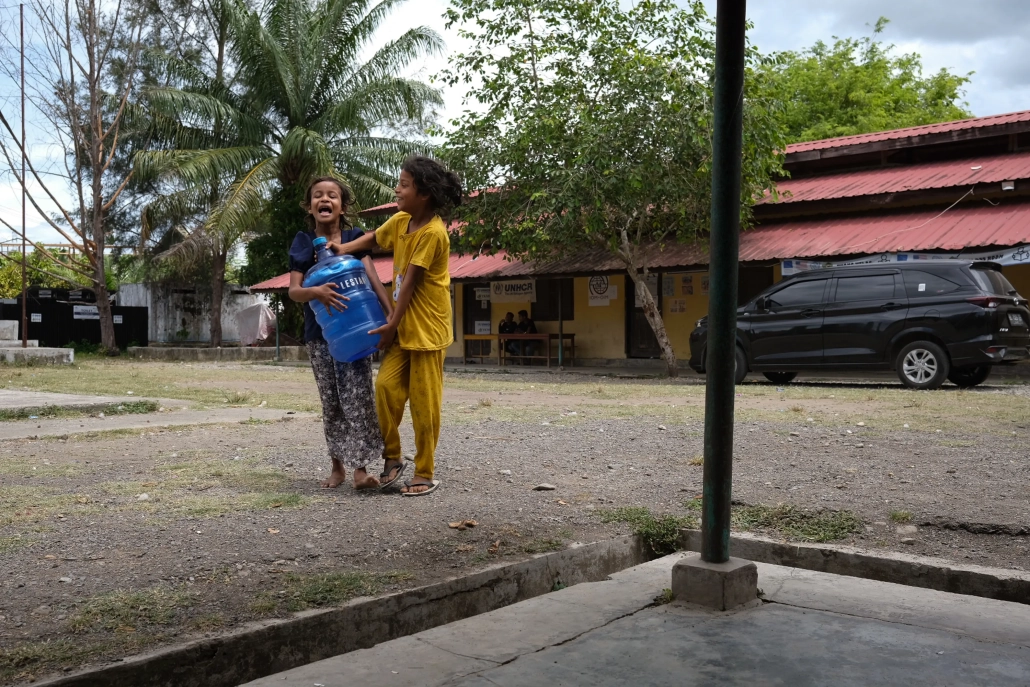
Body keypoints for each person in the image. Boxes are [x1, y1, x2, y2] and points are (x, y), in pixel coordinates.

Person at [336, 156, 462, 496]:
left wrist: (390, 324)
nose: (397, 188)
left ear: (423, 193)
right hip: (402, 327)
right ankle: (393, 458)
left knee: (424, 405)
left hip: (426, 331)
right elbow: (374, 238)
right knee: (386, 390)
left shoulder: (434, 233)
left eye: (404, 184)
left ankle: (425, 471)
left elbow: (408, 286)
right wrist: (342, 247)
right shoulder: (402, 219)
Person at [287, 176, 393, 490]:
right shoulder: (303, 242)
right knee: (331, 401)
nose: (325, 200)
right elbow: (294, 290)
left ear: (342, 206)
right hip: (319, 334)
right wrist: (316, 291)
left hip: (358, 329)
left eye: (332, 195)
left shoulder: (354, 237)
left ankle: (360, 469)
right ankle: (337, 467)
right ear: (310, 206)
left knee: (357, 398)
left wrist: (390, 316)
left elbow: (373, 279)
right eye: (318, 195)